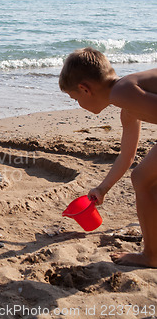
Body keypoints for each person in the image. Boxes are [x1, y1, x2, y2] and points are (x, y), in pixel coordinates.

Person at [59, 47, 157, 268]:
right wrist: (102, 188)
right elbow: (127, 155)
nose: (78, 105)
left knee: (143, 179)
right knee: (147, 179)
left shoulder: (122, 92)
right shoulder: (128, 105)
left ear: (85, 89)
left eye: (75, 99)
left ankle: (152, 256)